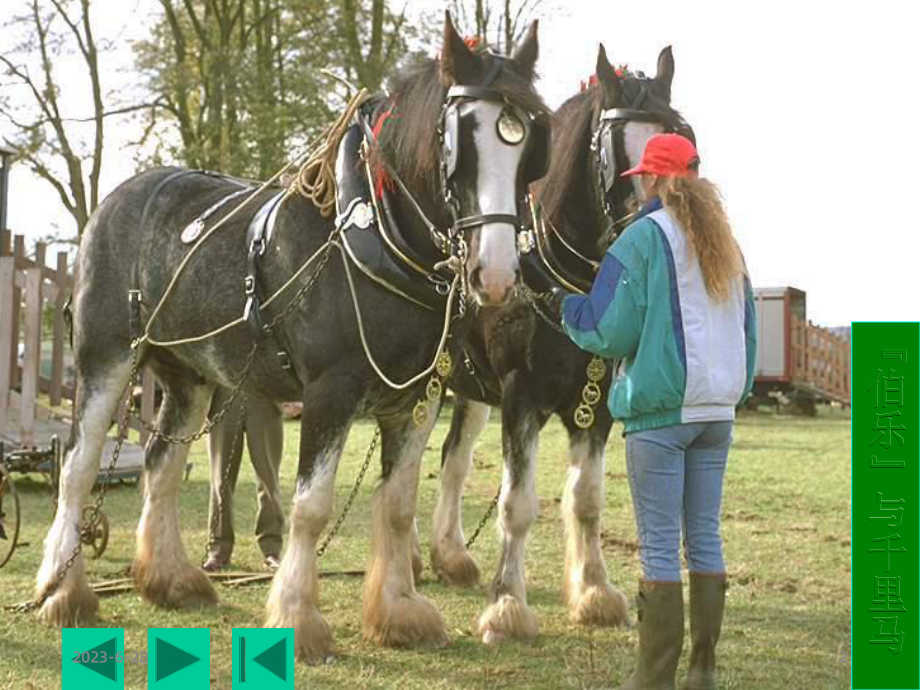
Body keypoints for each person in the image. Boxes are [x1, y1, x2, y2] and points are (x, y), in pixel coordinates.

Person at [549, 133, 756, 690]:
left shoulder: (641, 238)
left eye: (643, 175)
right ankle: (703, 672)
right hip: (718, 412)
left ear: (658, 179)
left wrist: (562, 306)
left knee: (661, 547)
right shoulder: (726, 241)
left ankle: (653, 680)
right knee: (705, 537)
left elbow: (607, 328)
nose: (637, 183)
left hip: (662, 415)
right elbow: (749, 330)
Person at [202, 387, 286, 573]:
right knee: (220, 483)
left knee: (269, 481)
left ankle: (271, 550)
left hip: (265, 395)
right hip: (223, 396)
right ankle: (218, 551)